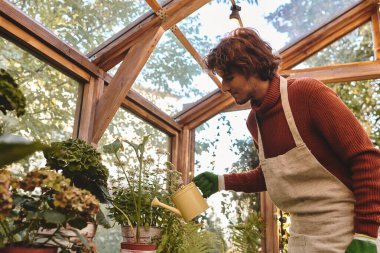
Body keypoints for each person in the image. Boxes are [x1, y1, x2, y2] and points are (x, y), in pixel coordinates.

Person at [193, 27, 380, 253]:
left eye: (229, 77)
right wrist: (221, 182)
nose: (223, 87)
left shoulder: (308, 94)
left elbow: (366, 158)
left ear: (249, 67)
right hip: (301, 236)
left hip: (346, 231)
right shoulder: (254, 122)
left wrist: (366, 234)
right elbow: (271, 176)